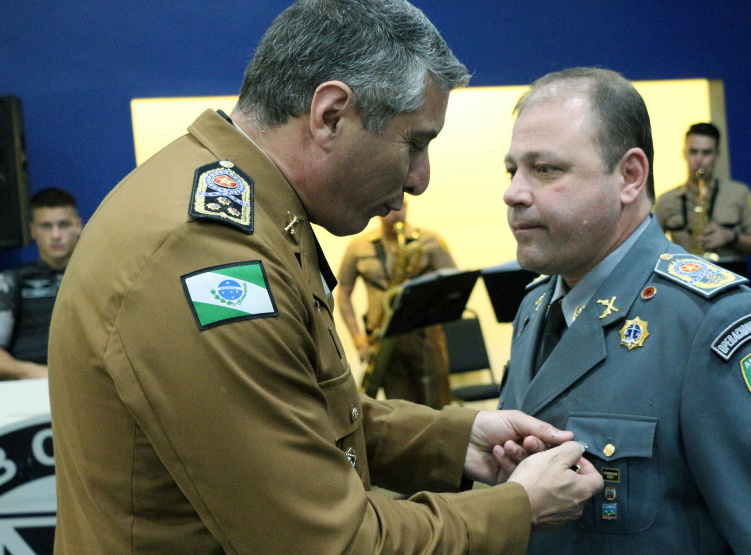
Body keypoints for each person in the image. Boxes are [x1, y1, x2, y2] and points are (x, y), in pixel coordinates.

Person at [47, 1, 605, 553]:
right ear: (331, 114)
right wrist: (516, 506)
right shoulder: (204, 254)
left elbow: (293, 408)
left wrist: (454, 440)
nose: (419, 181)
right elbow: (330, 544)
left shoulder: (239, 210)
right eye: (415, 142)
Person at [497, 67, 751, 553]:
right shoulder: (537, 307)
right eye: (511, 169)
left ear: (629, 176)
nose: (514, 191)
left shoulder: (716, 324)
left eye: (546, 169)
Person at [337, 202, 455, 408]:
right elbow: (343, 293)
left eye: (401, 207)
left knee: (437, 403)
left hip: (424, 336)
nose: (396, 214)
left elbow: (453, 283)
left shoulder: (429, 240)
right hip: (382, 337)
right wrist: (357, 338)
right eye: (390, 208)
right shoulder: (358, 246)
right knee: (398, 405)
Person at [654, 122, 751, 276]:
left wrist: (730, 237)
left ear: (716, 155)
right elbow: (650, 246)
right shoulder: (666, 199)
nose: (699, 160)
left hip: (728, 278)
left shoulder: (739, 193)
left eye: (706, 153)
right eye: (693, 152)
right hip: (683, 279)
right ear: (684, 154)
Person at [0, 187, 81, 380]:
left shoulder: (99, 278)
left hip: (91, 386)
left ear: (78, 225)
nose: (56, 235)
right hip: (29, 390)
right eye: (46, 226)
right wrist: (31, 372)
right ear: (33, 230)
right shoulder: (11, 282)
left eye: (63, 224)